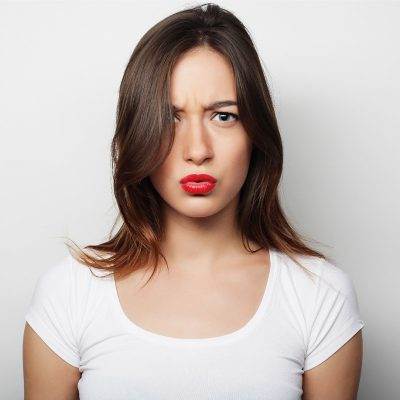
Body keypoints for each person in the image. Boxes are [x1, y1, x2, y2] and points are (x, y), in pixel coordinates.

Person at [23, 3, 364, 399]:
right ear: (139, 133)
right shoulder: (69, 294)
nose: (197, 150)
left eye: (224, 116)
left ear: (256, 132)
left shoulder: (319, 296)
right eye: (171, 118)